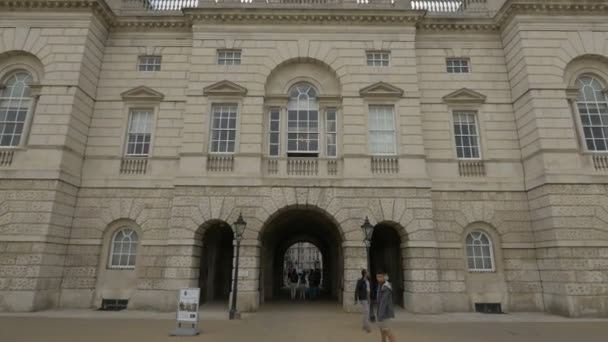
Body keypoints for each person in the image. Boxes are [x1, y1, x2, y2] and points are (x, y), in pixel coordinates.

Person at [376, 271, 396, 342]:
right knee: (382, 331)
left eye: (380, 277)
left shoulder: (386, 287)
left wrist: (380, 315)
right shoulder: (380, 285)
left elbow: (383, 302)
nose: (378, 278)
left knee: (387, 331)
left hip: (385, 313)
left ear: (384, 277)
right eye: (377, 277)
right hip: (381, 312)